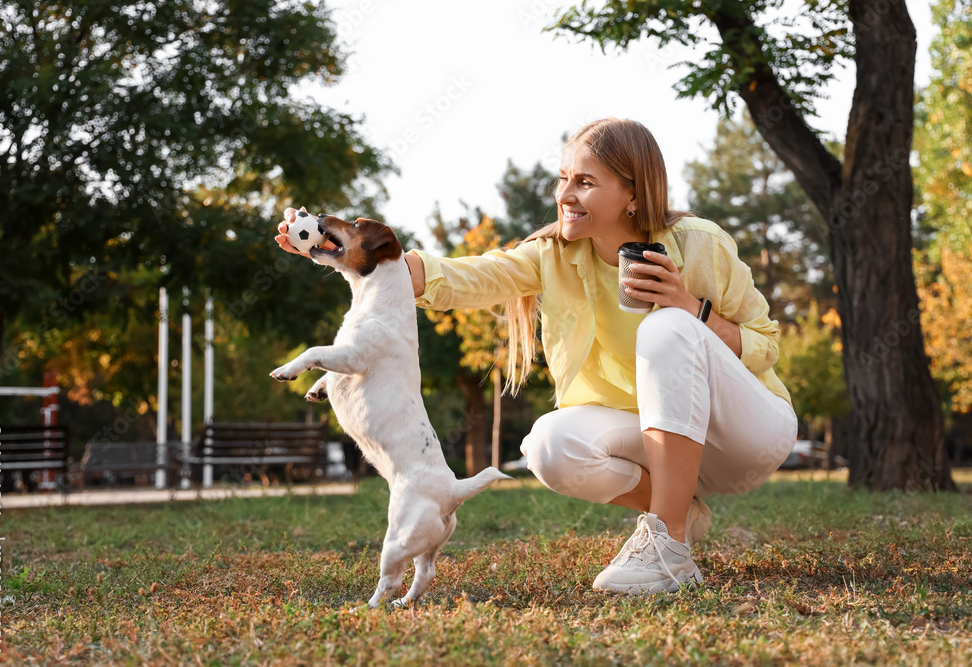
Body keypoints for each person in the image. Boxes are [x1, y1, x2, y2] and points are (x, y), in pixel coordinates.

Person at [276, 118, 797, 595]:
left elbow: (765, 342)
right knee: (548, 444)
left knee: (667, 328)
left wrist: (690, 308)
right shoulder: (551, 256)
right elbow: (461, 277)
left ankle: (668, 546)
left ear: (632, 195)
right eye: (563, 178)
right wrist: (341, 251)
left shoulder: (700, 244)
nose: (565, 195)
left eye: (585, 183)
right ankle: (677, 513)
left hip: (744, 434)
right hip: (651, 440)